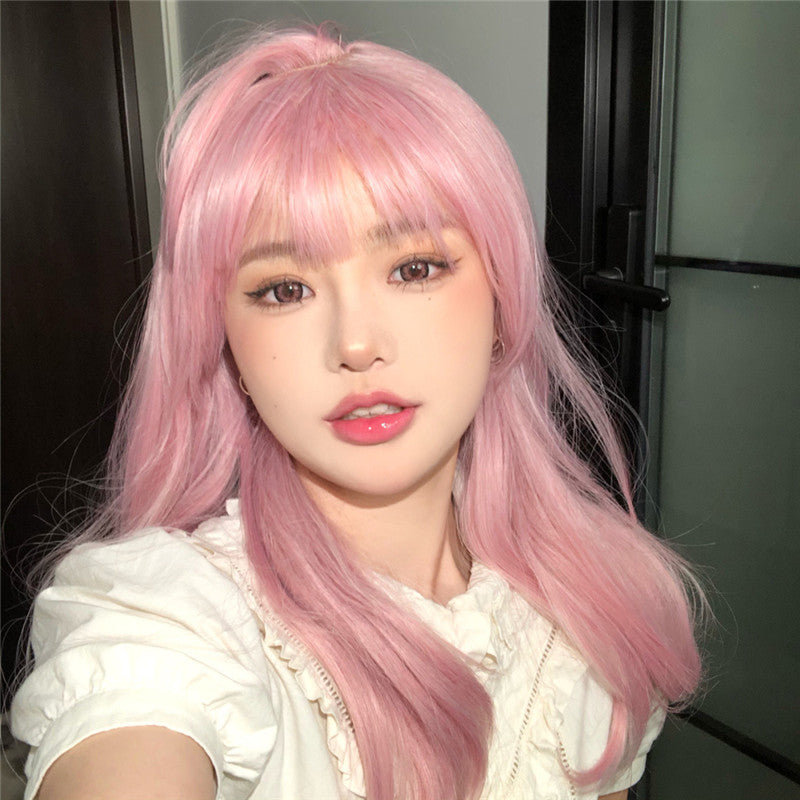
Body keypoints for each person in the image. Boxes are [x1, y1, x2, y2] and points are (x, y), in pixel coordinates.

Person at [10, 26, 702, 800]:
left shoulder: (593, 603)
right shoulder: (172, 618)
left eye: (415, 267)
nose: (356, 344)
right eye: (284, 289)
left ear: (503, 297)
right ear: (226, 345)